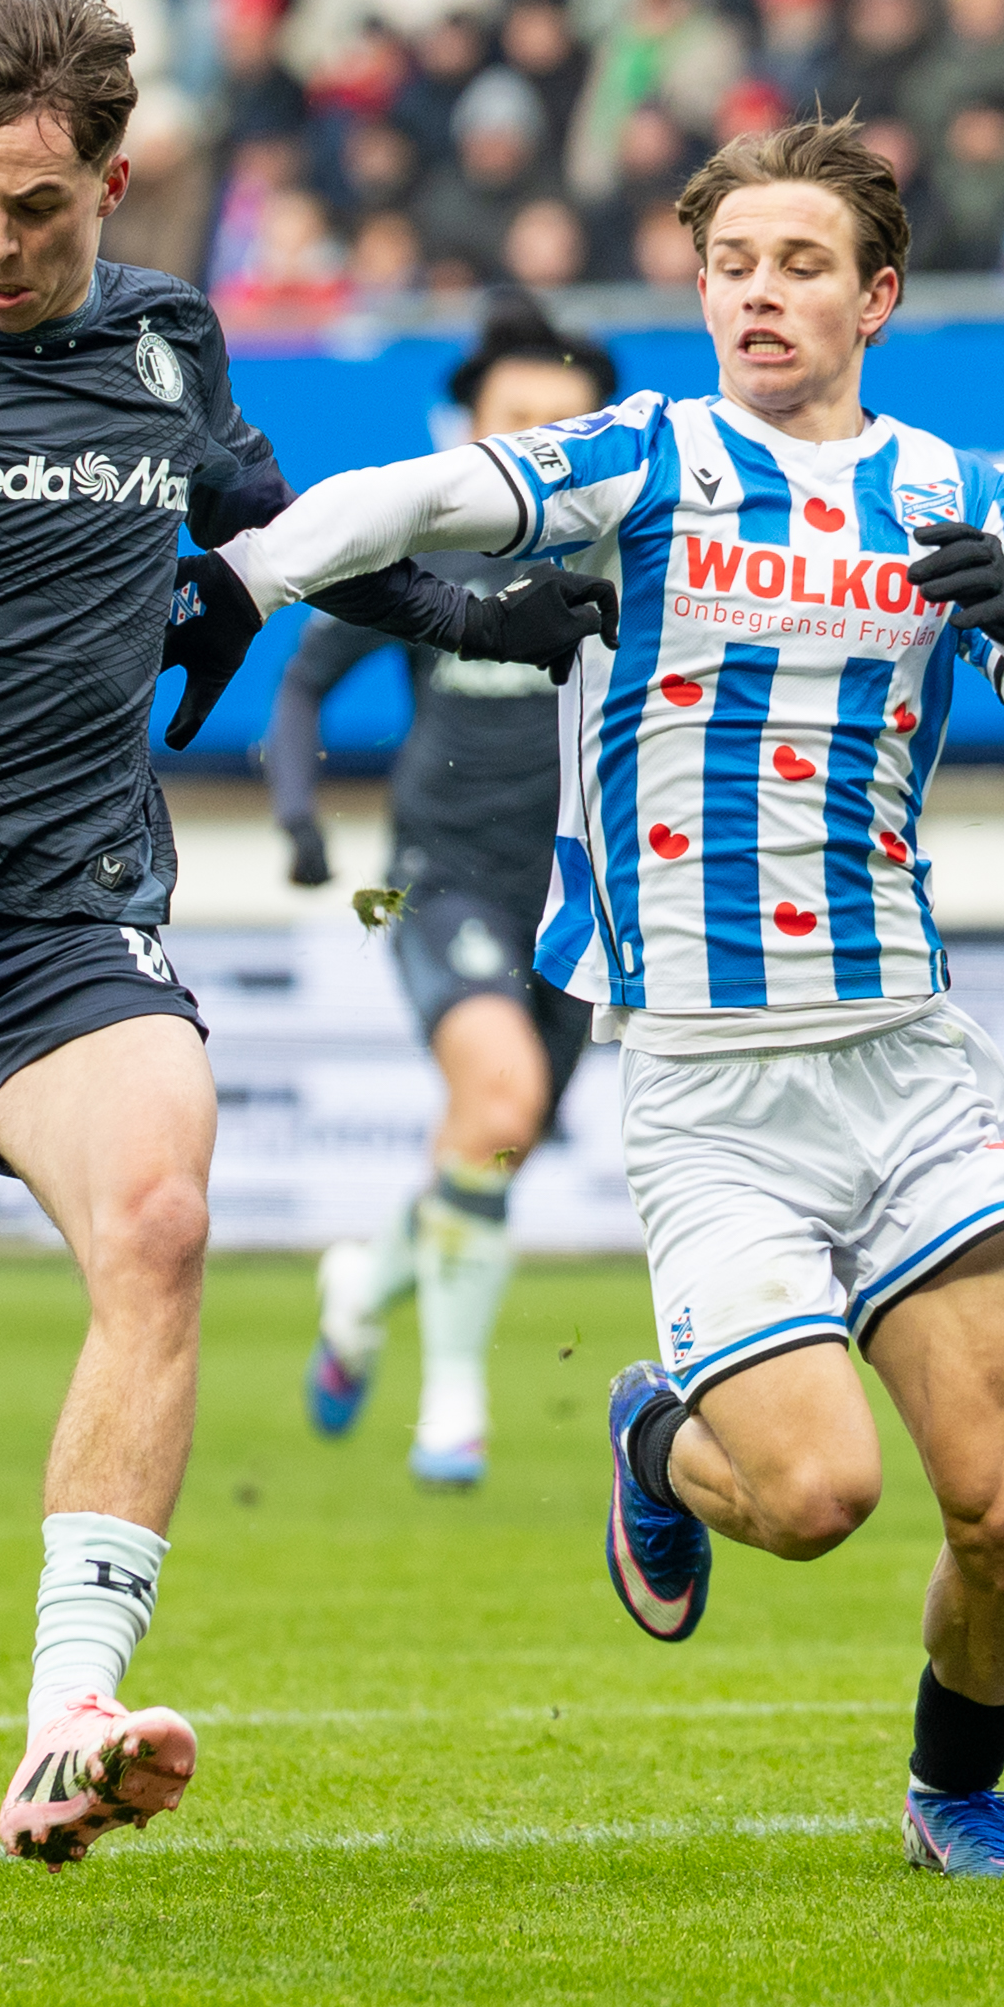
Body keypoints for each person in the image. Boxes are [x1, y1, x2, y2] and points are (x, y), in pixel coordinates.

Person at [0, 0, 609, 1868]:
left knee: (160, 1220)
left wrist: (484, 622)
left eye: (39, 206)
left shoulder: (168, 346)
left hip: (57, 908)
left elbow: (277, 542)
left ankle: (66, 1714)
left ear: (116, 178)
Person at [223, 115, 1004, 1884]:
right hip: (708, 1088)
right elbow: (402, 505)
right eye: (730, 268)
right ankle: (654, 1424)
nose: (758, 296)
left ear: (875, 297)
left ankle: (956, 1792)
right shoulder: (649, 456)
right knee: (812, 1499)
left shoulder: (957, 492)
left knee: (1002, 1515)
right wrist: (239, 577)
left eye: (799, 267)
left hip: (908, 1062)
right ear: (697, 292)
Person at [277, 293, 620, 1491]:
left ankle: (360, 1286)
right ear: (470, 423)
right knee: (502, 1091)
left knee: (495, 1138)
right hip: (440, 880)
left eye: (559, 420)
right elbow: (305, 681)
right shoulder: (425, 553)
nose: (533, 436)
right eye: (512, 415)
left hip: (580, 898)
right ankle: (454, 1407)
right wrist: (299, 820)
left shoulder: (631, 557)